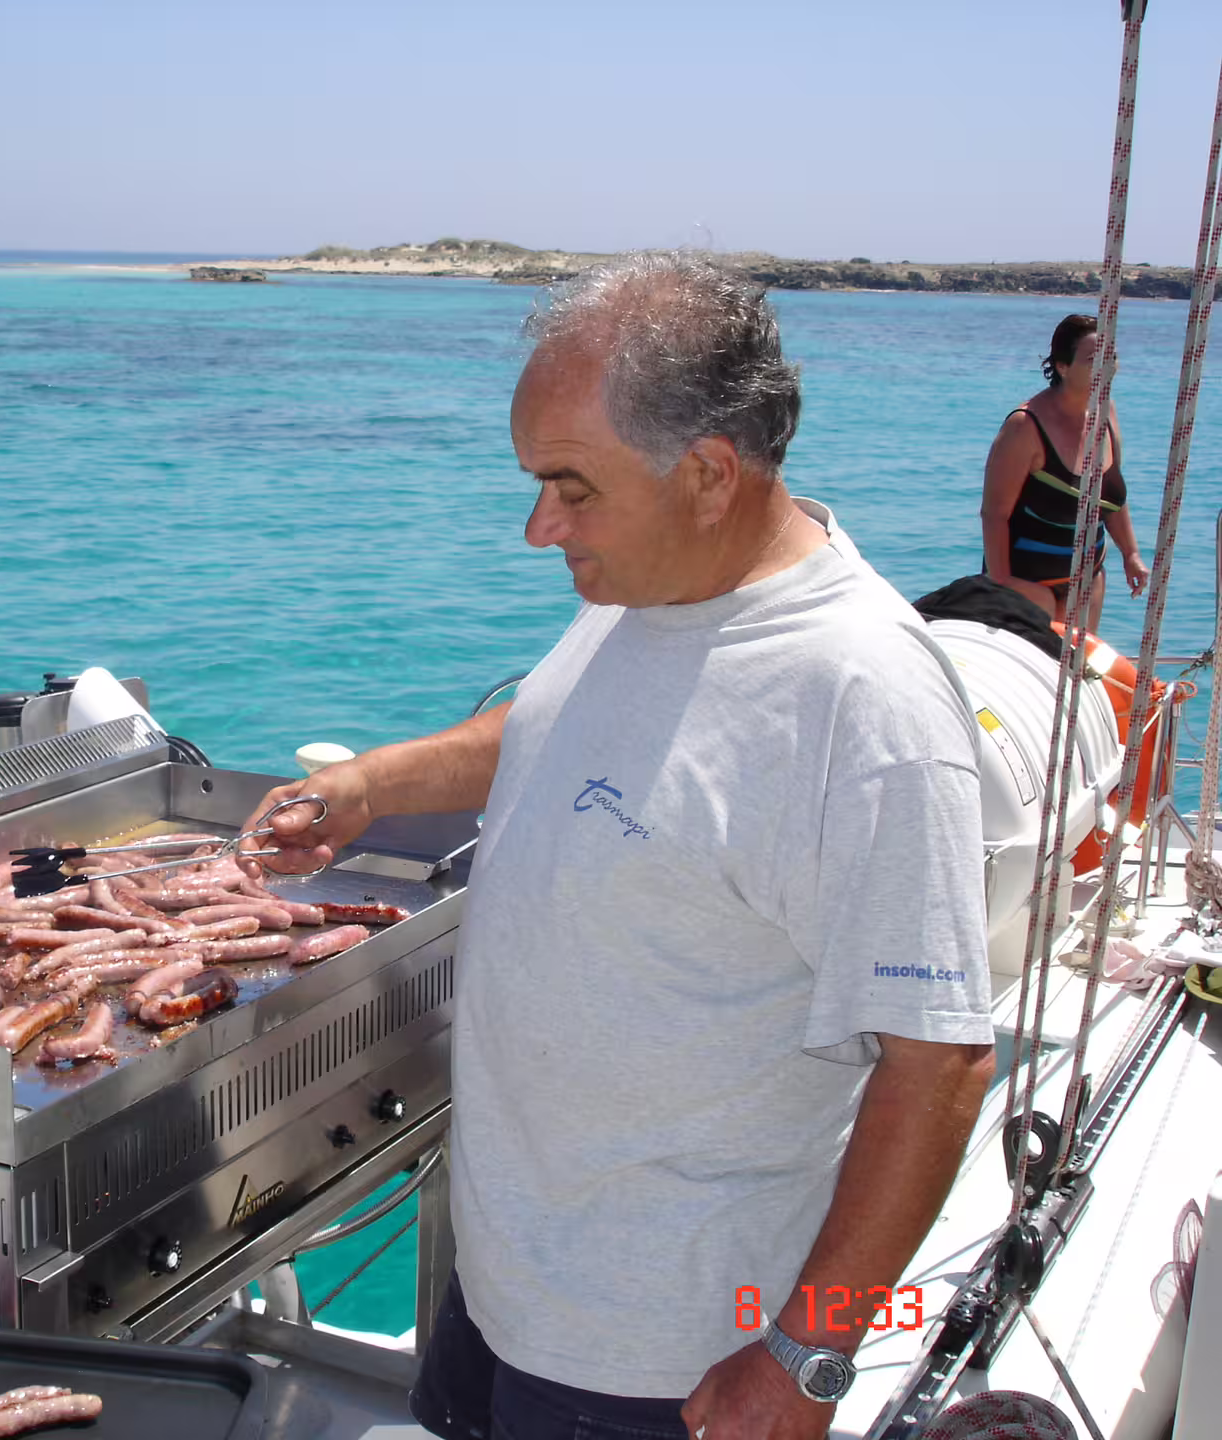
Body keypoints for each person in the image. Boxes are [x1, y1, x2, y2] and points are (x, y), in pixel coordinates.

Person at [240, 252, 996, 1440]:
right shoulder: (649, 591)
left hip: (657, 1361)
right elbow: (546, 725)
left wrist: (807, 1356)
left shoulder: (864, 708)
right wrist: (372, 786)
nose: (540, 528)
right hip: (503, 1285)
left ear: (706, 474)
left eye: (570, 488)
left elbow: (939, 1068)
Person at [981, 313, 1149, 633]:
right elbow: (993, 514)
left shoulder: (1107, 413)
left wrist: (1131, 553)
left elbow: (1109, 498)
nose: (1107, 366)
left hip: (1088, 582)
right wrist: (1001, 582)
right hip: (1029, 586)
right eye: (1092, 359)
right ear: (1063, 366)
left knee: (1077, 676)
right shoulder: (1025, 426)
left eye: (1111, 357)